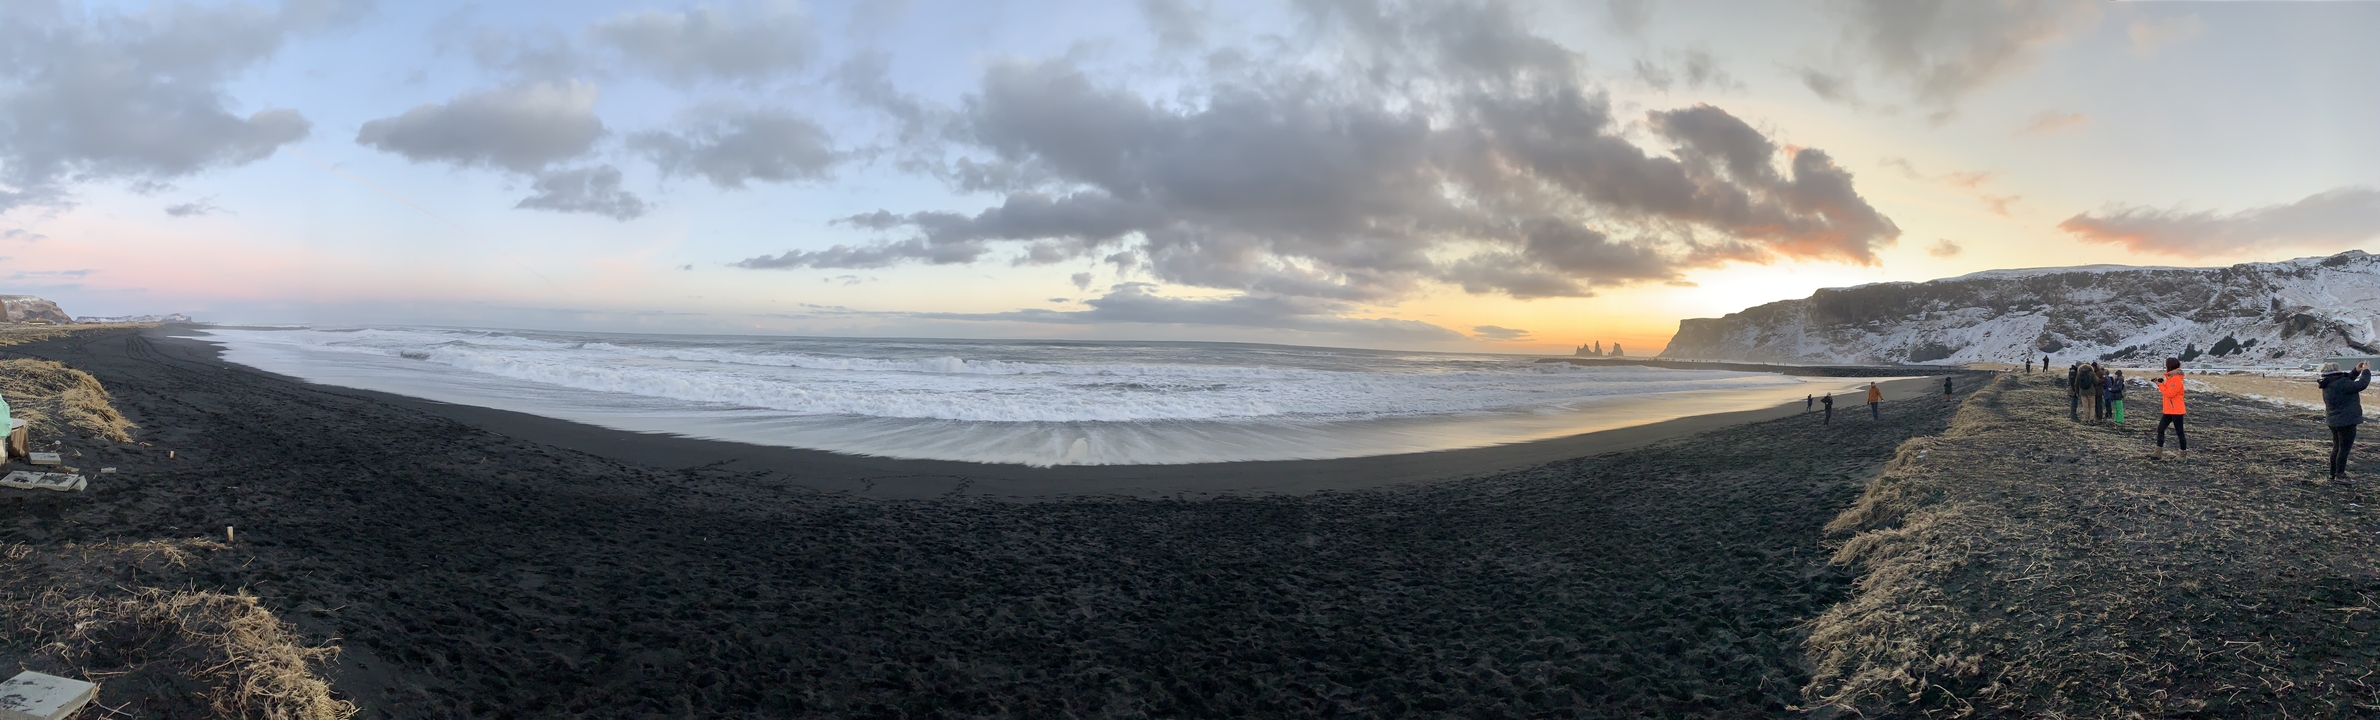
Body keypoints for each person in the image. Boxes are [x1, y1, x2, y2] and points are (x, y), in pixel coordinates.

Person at [2320, 360, 2371, 482]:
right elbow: (2362, 384)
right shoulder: (2340, 383)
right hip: (2346, 421)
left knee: (2337, 447)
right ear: (2335, 371)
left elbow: (2346, 381)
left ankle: (2333, 474)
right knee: (2344, 449)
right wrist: (2366, 371)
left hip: (2334, 421)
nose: (2340, 371)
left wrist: (2356, 371)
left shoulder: (2329, 382)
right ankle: (2340, 476)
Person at [2155, 358, 2188, 458]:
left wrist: (2160, 385)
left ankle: (2183, 455)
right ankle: (2158, 453)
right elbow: (2168, 391)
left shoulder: (2176, 379)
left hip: (2176, 410)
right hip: (2169, 410)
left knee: (2179, 432)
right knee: (2160, 429)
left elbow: (2169, 393)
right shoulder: (2171, 379)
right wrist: (2161, 384)